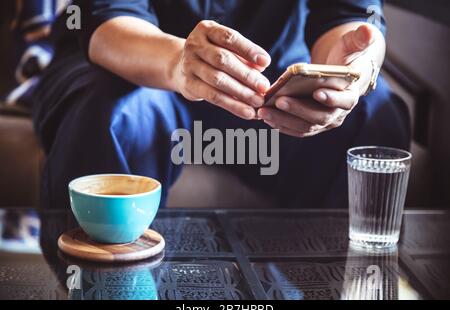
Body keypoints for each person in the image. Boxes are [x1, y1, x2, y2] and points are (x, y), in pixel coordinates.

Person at [32, 0, 410, 209]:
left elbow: (348, 16)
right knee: (116, 115)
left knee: (374, 114)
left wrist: (350, 66)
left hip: (270, 85)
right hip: (131, 65)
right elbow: (106, 15)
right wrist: (177, 63)